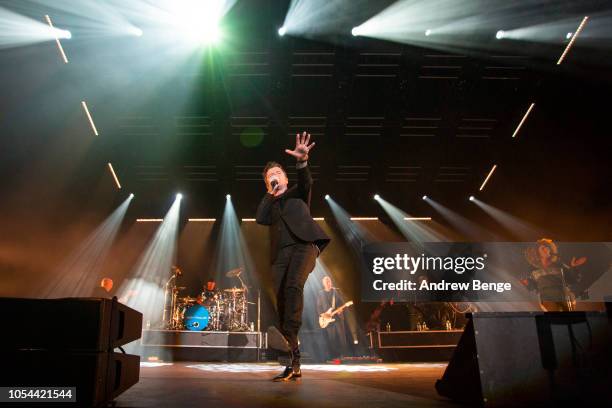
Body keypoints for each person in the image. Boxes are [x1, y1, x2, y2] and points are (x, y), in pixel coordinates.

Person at [256, 132, 330, 382]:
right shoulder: (271, 204)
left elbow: (306, 181)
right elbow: (260, 218)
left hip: (303, 247)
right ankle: (293, 360)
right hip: (281, 255)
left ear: (286, 178)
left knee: (293, 286)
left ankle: (293, 358)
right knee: (281, 303)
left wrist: (301, 162)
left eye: (277, 173)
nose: (274, 177)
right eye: (269, 177)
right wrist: (270, 193)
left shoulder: (298, 192)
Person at [523, 238, 587, 311]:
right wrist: (527, 283)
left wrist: (573, 267)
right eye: (543, 248)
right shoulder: (533, 270)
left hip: (564, 300)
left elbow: (573, 279)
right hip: (548, 303)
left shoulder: (559, 265)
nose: (547, 249)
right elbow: (533, 286)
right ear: (537, 253)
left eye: (547, 247)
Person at [316, 276, 348, 361]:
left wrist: (341, 309)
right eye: (326, 282)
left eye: (329, 281)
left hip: (338, 318)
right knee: (332, 338)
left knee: (341, 337)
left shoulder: (336, 291)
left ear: (331, 282)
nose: (328, 283)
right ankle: (334, 356)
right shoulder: (320, 293)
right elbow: (318, 307)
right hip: (328, 319)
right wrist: (323, 315)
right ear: (323, 284)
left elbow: (342, 303)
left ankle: (344, 355)